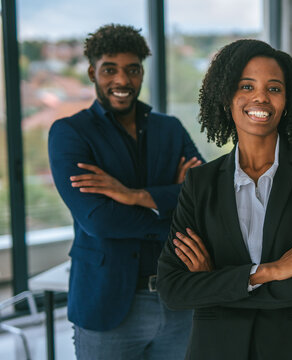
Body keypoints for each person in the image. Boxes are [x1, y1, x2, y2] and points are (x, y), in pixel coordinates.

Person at [157, 39, 292, 359]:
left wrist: (215, 283)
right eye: (246, 86)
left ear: (288, 101)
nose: (260, 97)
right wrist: (270, 271)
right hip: (218, 349)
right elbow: (173, 289)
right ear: (226, 96)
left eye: (274, 88)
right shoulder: (200, 182)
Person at [48, 24, 203, 359]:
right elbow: (100, 221)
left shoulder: (170, 128)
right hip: (107, 308)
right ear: (92, 72)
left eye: (132, 70)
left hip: (176, 300)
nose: (122, 81)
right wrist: (171, 203)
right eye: (110, 70)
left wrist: (134, 196)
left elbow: (205, 200)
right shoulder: (70, 134)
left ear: (141, 72)